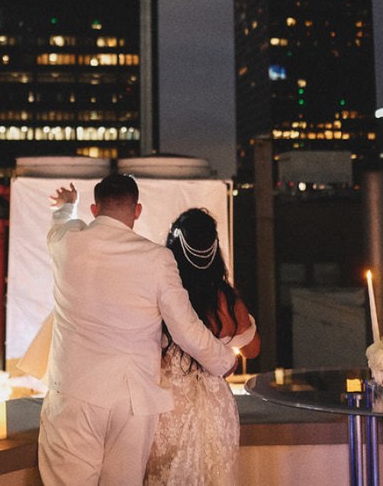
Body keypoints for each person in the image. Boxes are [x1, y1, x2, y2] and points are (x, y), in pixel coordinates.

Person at [40, 175, 237, 486]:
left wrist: (67, 205)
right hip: (132, 401)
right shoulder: (158, 259)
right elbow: (186, 330)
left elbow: (61, 223)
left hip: (75, 392)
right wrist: (225, 361)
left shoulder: (66, 243)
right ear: (138, 210)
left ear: (95, 209)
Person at [144, 208, 260, 486]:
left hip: (167, 408)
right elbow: (252, 350)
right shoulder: (226, 299)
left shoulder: (163, 295)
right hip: (215, 409)